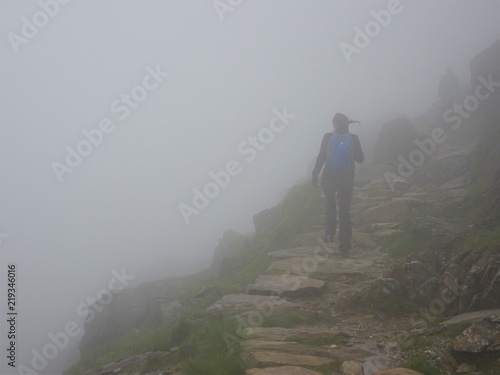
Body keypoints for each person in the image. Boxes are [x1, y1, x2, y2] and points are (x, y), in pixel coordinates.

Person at [312, 113, 364, 257]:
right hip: (346, 178)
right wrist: (350, 153)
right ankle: (345, 247)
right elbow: (361, 159)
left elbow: (321, 156)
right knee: (344, 211)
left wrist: (315, 174)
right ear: (347, 123)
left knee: (329, 204)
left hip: (329, 177)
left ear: (334, 124)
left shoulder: (327, 137)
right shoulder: (353, 138)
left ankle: (329, 234)